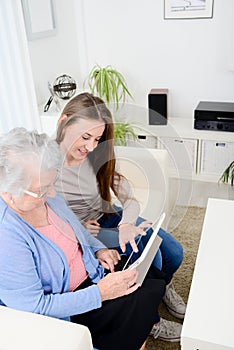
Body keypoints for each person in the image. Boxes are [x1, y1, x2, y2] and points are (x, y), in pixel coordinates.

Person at [0, 127, 168, 350]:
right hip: (71, 305)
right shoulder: (7, 236)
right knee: (137, 300)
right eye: (43, 190)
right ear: (8, 192)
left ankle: (144, 327)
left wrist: (99, 250)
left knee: (148, 275)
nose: (52, 194)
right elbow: (34, 307)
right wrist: (100, 293)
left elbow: (74, 230)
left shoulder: (43, 194)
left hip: (92, 273)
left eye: (52, 184)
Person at [55, 92, 185, 342]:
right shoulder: (47, 166)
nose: (92, 146)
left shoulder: (94, 156)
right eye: (85, 137)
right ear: (64, 122)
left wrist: (126, 223)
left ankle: (161, 289)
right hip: (86, 234)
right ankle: (149, 321)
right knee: (151, 257)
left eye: (97, 138)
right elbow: (48, 220)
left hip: (110, 217)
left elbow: (129, 199)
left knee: (174, 252)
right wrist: (80, 230)